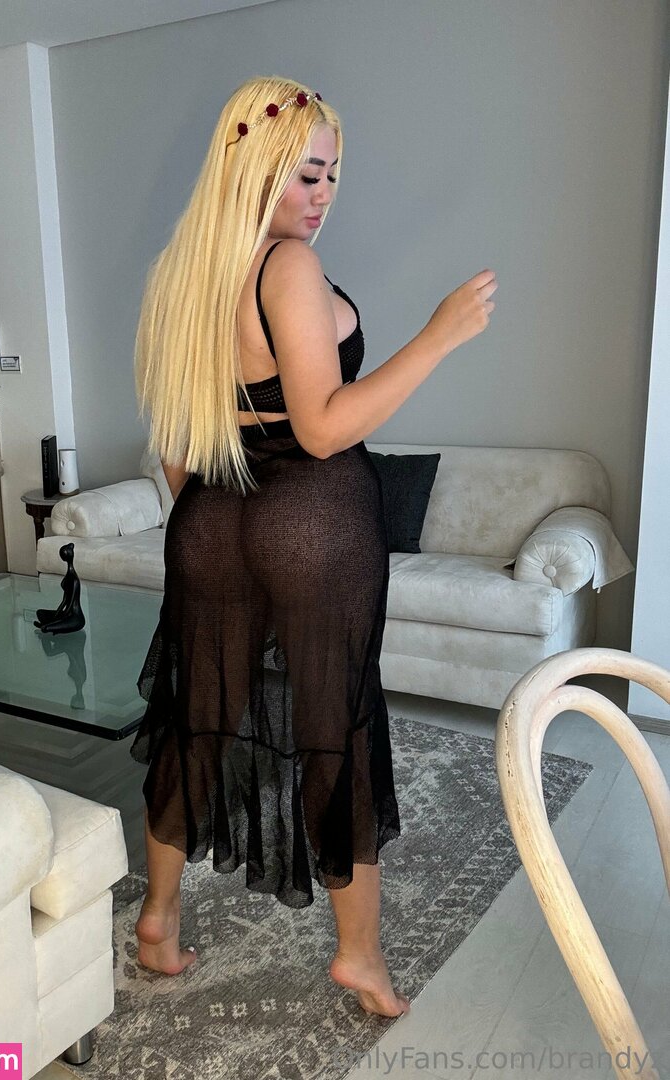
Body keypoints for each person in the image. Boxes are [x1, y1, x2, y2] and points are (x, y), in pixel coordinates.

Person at [128, 75, 497, 1018]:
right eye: (307, 175)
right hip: (310, 528)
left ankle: (158, 922)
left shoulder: (184, 272)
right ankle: (360, 957)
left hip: (209, 518)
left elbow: (176, 449)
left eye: (331, 174)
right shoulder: (287, 266)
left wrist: (218, 521)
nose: (323, 194)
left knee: (199, 720)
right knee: (336, 727)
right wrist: (438, 337)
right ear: (255, 168)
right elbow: (324, 428)